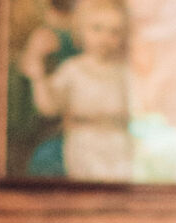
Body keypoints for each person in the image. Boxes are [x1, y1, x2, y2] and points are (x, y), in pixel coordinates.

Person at [21, 0, 133, 182]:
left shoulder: (125, 72)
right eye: (97, 29)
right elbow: (49, 107)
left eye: (114, 32)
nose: (105, 38)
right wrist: (38, 77)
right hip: (84, 145)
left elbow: (142, 108)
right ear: (81, 30)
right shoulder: (73, 70)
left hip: (119, 146)